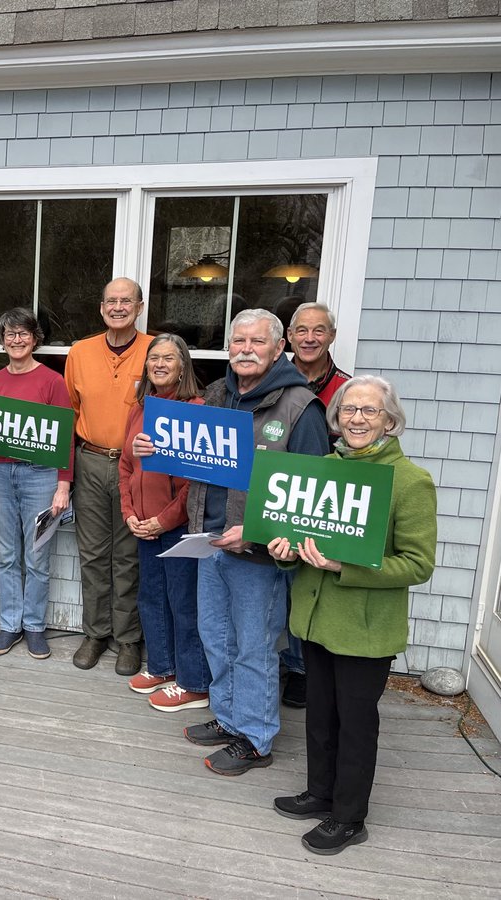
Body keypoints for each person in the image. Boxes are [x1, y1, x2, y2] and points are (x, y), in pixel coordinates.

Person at [144, 309, 328, 775]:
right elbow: (196, 461)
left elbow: (310, 493)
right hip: (208, 541)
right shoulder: (217, 394)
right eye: (238, 341)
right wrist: (156, 449)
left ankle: (256, 736)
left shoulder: (301, 408)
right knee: (217, 637)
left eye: (257, 342)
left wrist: (257, 531)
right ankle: (229, 717)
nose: (246, 349)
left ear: (278, 348)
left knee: (253, 646)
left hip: (258, 553)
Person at [268, 376, 435, 855]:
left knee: (355, 723)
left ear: (390, 420)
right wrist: (284, 552)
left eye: (370, 411)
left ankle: (348, 817)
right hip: (316, 620)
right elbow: (298, 540)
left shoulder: (409, 481)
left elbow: (418, 564)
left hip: (364, 628)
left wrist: (346, 566)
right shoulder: (319, 469)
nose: (357, 418)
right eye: (349, 410)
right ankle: (321, 793)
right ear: (336, 418)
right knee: (319, 717)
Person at [0, 308, 72, 660]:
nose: (16, 340)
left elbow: (65, 438)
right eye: (9, 334)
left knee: (38, 555)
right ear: (2, 341)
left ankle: (35, 627)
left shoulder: (52, 381)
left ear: (35, 338)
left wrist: (63, 485)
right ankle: (10, 625)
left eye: (23, 333)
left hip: (41, 476)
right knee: (8, 555)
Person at [64, 277, 153, 676]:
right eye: (111, 301)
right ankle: (96, 633)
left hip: (137, 467)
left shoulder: (155, 350)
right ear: (102, 308)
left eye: (126, 301)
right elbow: (69, 413)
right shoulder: (80, 352)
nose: (118, 307)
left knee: (129, 556)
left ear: (139, 306)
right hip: (91, 459)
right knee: (94, 555)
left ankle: (129, 639)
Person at [118, 334, 211, 712]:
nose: (159, 364)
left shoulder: (196, 408)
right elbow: (126, 466)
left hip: (177, 527)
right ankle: (162, 667)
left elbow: (196, 482)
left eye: (168, 358)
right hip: (142, 523)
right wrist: (130, 514)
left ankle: (193, 682)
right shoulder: (140, 407)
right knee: (151, 598)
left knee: (183, 603)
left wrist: (163, 519)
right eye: (153, 357)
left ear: (183, 365)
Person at [280, 302, 351, 708]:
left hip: (322, 501)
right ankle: (283, 661)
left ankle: (303, 669)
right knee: (279, 582)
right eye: (302, 331)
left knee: (306, 585)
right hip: (276, 496)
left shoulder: (345, 388)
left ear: (332, 336)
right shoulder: (273, 378)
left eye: (318, 331)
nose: (309, 338)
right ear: (289, 337)